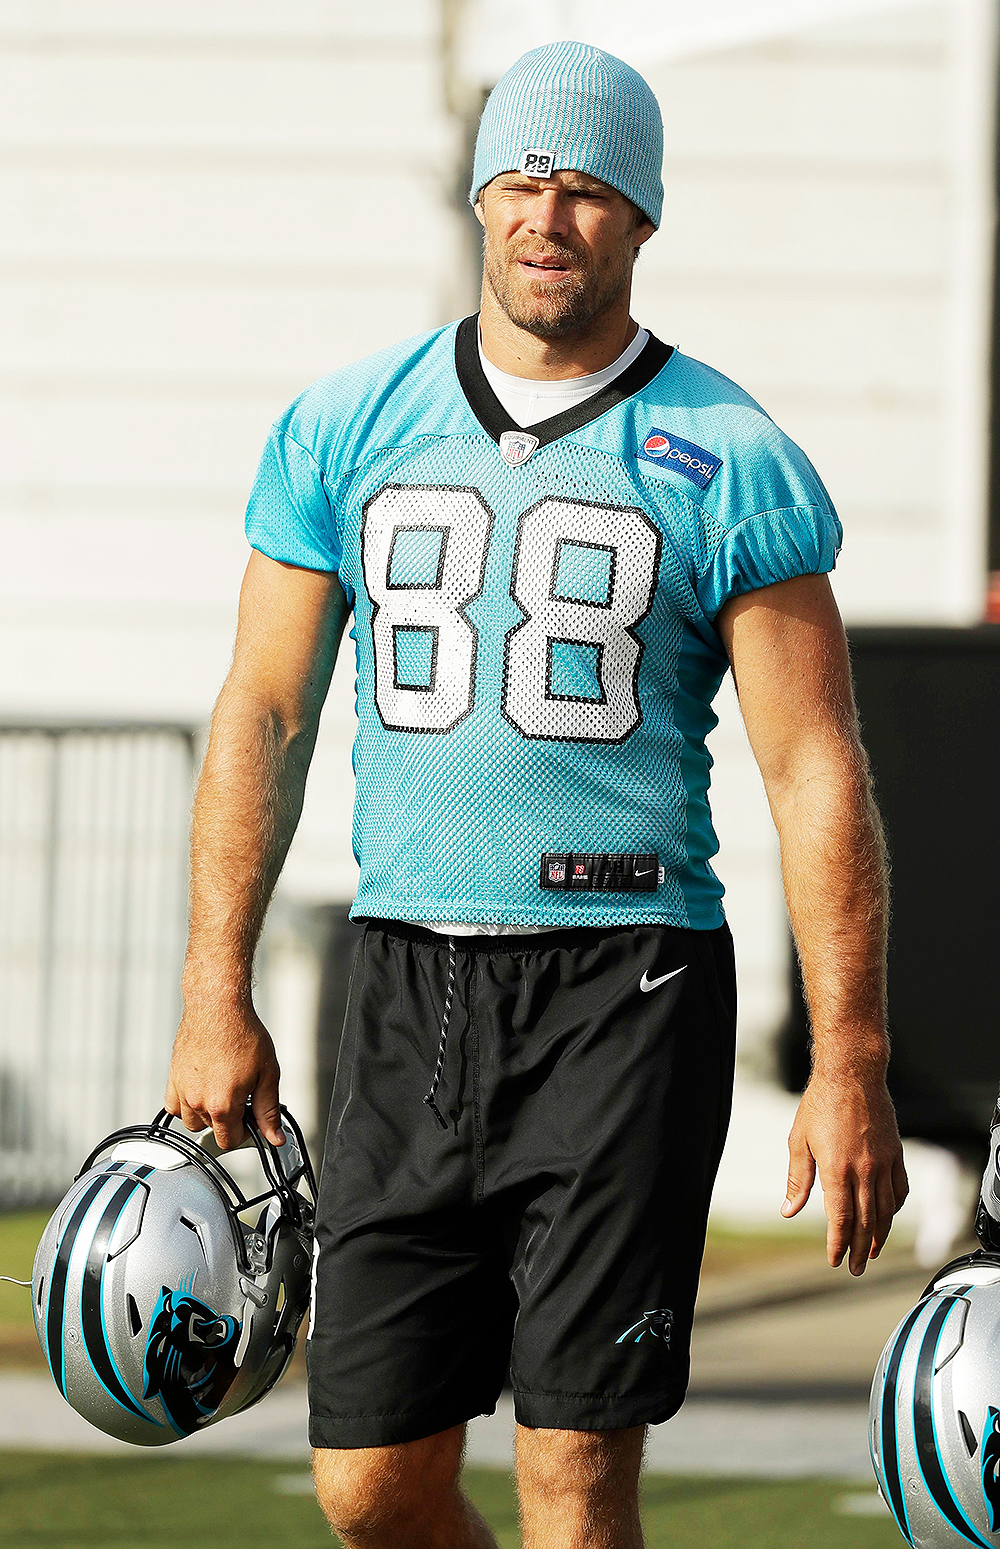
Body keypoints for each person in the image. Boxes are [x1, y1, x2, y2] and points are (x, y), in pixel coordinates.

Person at [165, 40, 909, 1549]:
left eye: (585, 188)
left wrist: (855, 1056)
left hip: (624, 988)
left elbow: (815, 767)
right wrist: (210, 980)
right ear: (479, 195)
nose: (546, 214)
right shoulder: (346, 423)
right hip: (402, 981)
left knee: (575, 1484)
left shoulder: (732, 453)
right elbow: (263, 706)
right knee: (371, 1486)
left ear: (640, 219)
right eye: (521, 179)